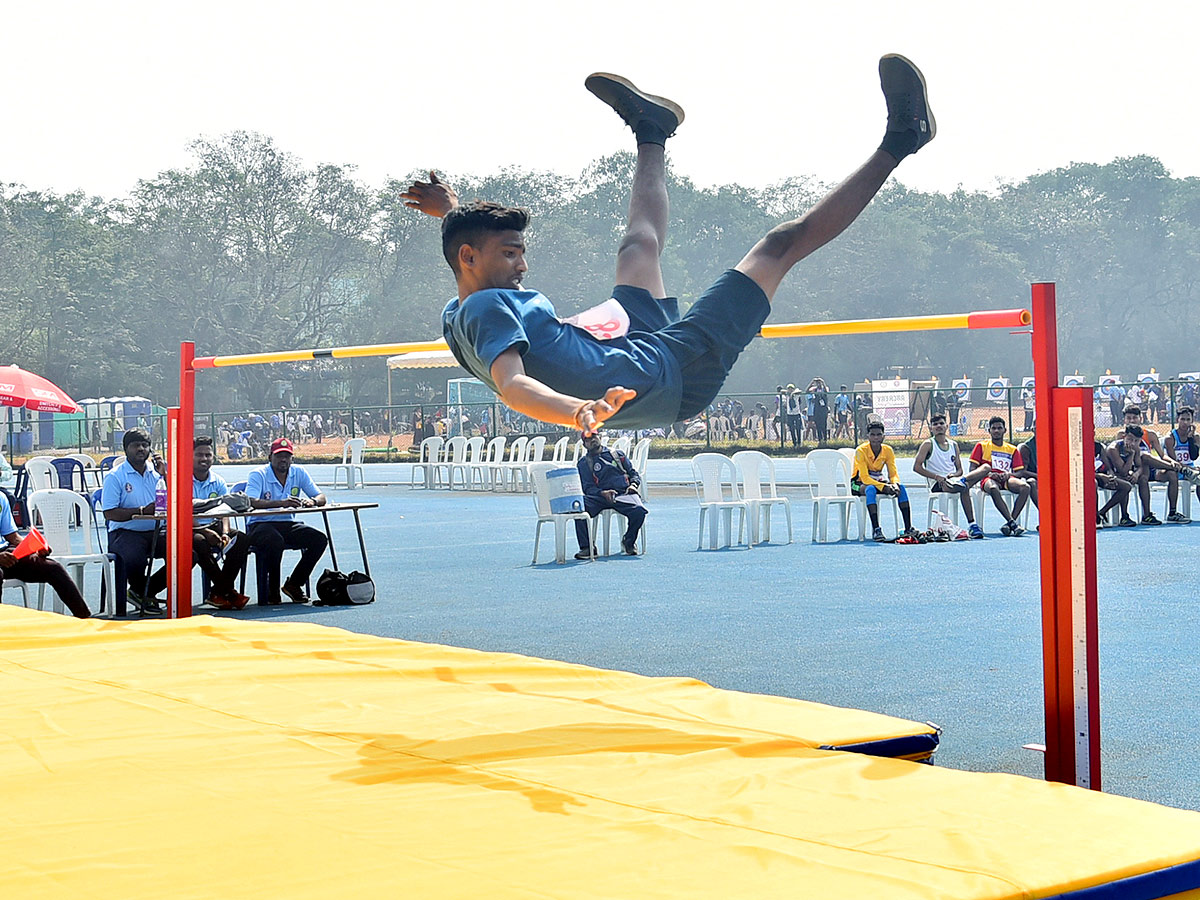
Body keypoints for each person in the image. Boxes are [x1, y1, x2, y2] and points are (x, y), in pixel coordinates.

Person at [402, 56, 935, 434]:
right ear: (468, 258)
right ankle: (903, 137)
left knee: (638, 247)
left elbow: (469, 248)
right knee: (778, 246)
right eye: (510, 254)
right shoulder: (490, 309)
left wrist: (453, 208)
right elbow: (514, 386)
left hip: (627, 350)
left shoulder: (464, 303)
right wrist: (575, 411)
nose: (522, 264)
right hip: (668, 372)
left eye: (520, 250)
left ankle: (652, 129)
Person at [244, 438, 328, 604]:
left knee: (319, 539)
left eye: (286, 456)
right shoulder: (258, 474)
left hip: (286, 523)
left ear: (292, 459)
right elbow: (250, 501)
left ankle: (294, 584)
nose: (283, 459)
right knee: (275, 541)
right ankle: (272, 590)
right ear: (270, 458)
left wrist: (313, 501)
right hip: (260, 524)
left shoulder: (299, 472)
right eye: (279, 456)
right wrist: (281, 503)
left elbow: (321, 496)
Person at [101, 428, 167, 615]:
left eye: (145, 445)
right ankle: (142, 593)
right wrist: (141, 511)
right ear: (125, 449)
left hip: (156, 531)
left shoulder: (157, 475)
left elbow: (174, 500)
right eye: (135, 445)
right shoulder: (115, 476)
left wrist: (165, 475)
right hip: (124, 532)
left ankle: (143, 592)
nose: (140, 449)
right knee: (134, 556)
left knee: (187, 552)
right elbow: (109, 513)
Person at [0, 489, 91, 618]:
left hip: (5, 553)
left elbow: (12, 536)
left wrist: (35, 548)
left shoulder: (1, 498)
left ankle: (84, 617)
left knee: (53, 568)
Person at [186, 436, 252, 610]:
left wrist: (224, 532)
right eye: (199, 454)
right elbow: (183, 513)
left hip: (214, 523)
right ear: (190, 456)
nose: (204, 459)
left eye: (208, 455)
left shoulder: (218, 481)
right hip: (190, 526)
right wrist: (206, 532)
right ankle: (229, 593)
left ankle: (218, 592)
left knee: (242, 539)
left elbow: (225, 511)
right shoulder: (182, 480)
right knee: (199, 542)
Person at [573, 432, 647, 559]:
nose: (592, 441)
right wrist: (602, 493)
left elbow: (633, 474)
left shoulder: (617, 455)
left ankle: (628, 541)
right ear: (584, 444)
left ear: (600, 438)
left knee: (639, 511)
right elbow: (587, 487)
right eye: (588, 440)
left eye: (594, 437)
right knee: (578, 507)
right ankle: (587, 548)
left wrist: (633, 485)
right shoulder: (584, 463)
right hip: (600, 497)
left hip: (623, 494)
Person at [913, 412, 984, 538]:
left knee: (986, 468)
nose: (938, 426)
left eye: (941, 423)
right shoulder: (928, 444)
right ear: (931, 428)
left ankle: (961, 482)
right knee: (965, 486)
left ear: (946, 426)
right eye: (935, 424)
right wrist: (936, 477)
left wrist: (954, 475)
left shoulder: (953, 445)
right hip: (938, 483)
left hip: (954, 480)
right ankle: (972, 525)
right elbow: (917, 467)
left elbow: (959, 469)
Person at [851, 420, 916, 542]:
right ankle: (876, 529)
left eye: (879, 434)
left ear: (883, 436)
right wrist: (883, 487)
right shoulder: (861, 451)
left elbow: (893, 473)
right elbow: (865, 478)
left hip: (878, 480)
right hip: (858, 483)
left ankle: (908, 528)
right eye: (873, 435)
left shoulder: (888, 450)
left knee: (901, 488)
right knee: (870, 489)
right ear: (868, 436)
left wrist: (895, 484)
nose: (876, 438)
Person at [968, 416, 1031, 536]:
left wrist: (1008, 474)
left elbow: (1020, 472)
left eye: (999, 428)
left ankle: (1009, 523)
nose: (996, 431)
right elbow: (972, 469)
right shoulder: (981, 446)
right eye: (993, 428)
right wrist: (987, 474)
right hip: (988, 478)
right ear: (989, 431)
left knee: (1025, 487)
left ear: (1005, 430)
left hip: (1006, 479)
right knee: (993, 488)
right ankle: (1012, 523)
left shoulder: (1012, 449)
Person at [1124, 404, 1183, 524]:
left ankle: (1172, 512)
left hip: (1153, 469)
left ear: (1140, 418)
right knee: (1143, 460)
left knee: (1172, 474)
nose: (1132, 420)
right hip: (1134, 470)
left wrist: (1172, 461)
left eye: (1134, 417)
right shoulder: (1122, 435)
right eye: (1129, 418)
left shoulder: (1150, 434)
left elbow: (1162, 455)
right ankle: (1147, 515)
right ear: (1124, 420)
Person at [1108, 425, 1157, 527]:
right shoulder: (1114, 449)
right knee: (1125, 481)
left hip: (1126, 472)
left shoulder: (1136, 448)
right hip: (1112, 474)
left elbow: (1140, 467)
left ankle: (1147, 515)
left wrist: (1136, 474)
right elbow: (1123, 472)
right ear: (1124, 437)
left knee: (1143, 479)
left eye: (1136, 441)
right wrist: (1131, 455)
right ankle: (1124, 517)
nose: (1133, 443)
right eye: (1130, 439)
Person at [1163, 406, 1200, 522]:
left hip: (1190, 470)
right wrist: (1190, 468)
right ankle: (1173, 511)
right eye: (1182, 419)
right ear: (1177, 420)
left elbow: (1194, 456)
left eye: (1188, 420)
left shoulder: (1196, 437)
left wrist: (1190, 439)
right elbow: (1175, 462)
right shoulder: (1170, 438)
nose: (1185, 423)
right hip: (1176, 470)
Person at [1092, 438, 1132, 527]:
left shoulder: (1098, 447)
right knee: (1093, 483)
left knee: (1126, 486)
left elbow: (1108, 467)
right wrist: (1100, 476)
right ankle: (1095, 518)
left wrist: (1111, 475)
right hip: (1086, 477)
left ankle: (1102, 512)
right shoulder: (1077, 447)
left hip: (1100, 476)